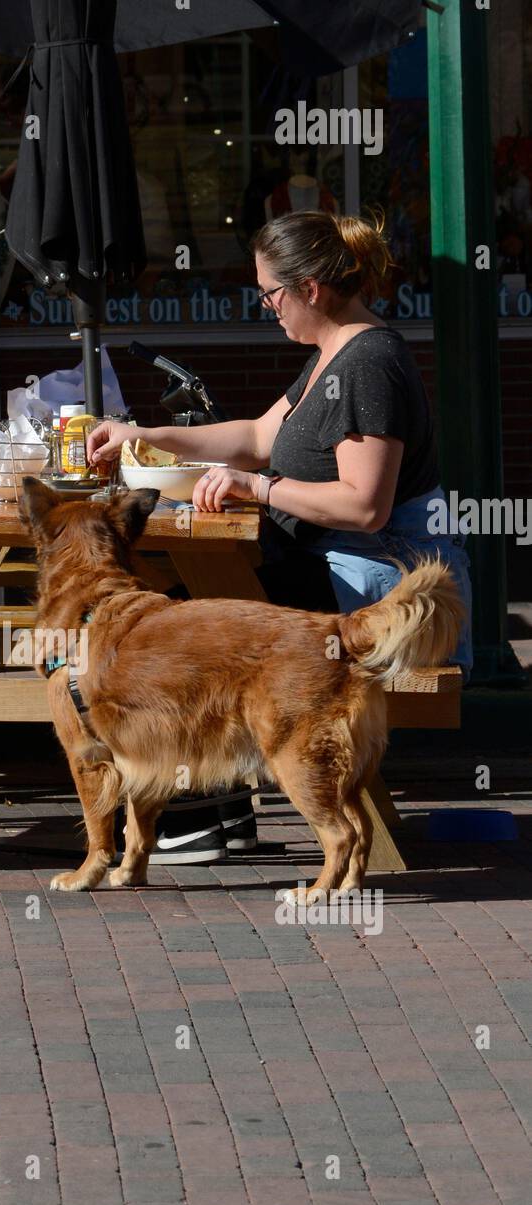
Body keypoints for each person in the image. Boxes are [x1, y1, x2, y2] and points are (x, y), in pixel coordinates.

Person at [86, 209, 473, 866]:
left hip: (367, 580)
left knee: (175, 631)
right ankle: (213, 807)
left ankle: (200, 811)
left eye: (269, 292)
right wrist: (143, 436)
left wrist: (254, 489)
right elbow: (256, 438)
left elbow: (364, 505)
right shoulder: (333, 354)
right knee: (179, 609)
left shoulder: (366, 364)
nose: (266, 306)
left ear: (310, 289)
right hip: (330, 567)